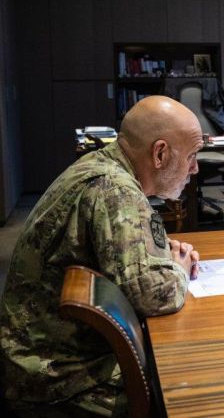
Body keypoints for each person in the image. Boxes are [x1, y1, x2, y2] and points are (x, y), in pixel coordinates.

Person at [0, 96, 203, 416]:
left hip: (39, 357)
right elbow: (152, 296)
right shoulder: (114, 188)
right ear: (160, 153)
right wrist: (179, 267)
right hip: (55, 378)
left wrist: (162, 253)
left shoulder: (103, 166)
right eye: (191, 156)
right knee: (187, 388)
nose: (195, 168)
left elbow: (133, 252)